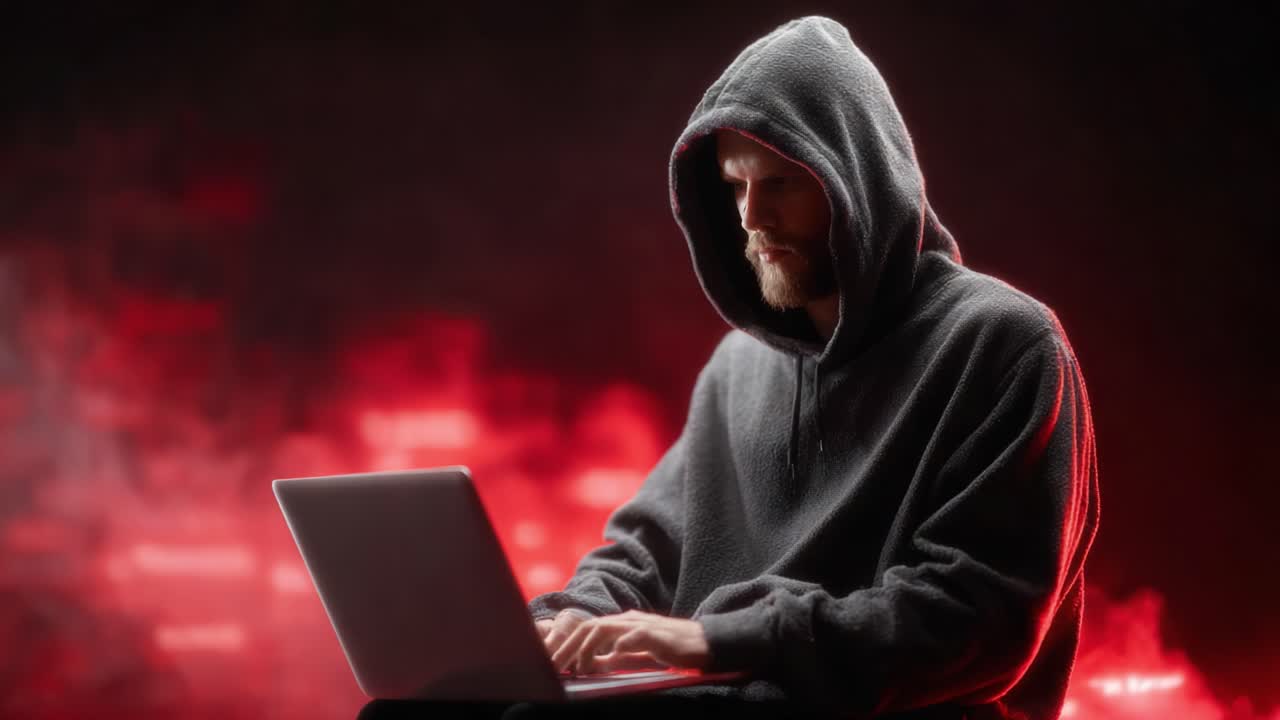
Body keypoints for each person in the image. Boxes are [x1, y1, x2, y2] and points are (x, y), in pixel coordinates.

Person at [525, 14, 1100, 720]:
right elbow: (644, 553)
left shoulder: (1006, 345)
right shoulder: (736, 368)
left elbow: (974, 615)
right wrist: (562, 625)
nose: (752, 218)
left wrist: (713, 640)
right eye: (735, 188)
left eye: (781, 185)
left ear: (856, 179)